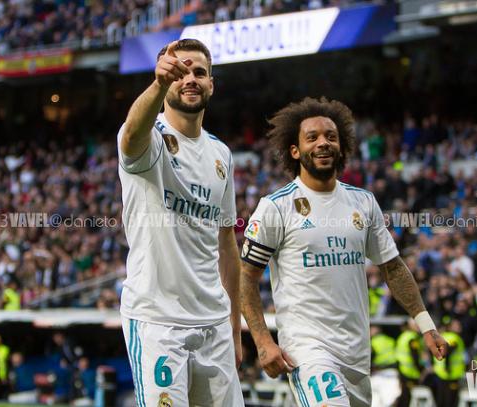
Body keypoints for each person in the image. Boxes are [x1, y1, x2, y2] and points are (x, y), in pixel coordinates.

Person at [240, 97, 448, 406]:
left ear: (342, 146)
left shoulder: (363, 202)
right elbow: (246, 276)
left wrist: (426, 325)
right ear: (294, 151)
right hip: (307, 349)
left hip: (356, 352)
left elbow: (392, 267)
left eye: (331, 136)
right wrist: (262, 340)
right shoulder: (276, 207)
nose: (323, 143)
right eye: (312, 137)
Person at [117, 39, 243, 406]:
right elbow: (130, 137)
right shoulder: (150, 139)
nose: (190, 79)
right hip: (158, 321)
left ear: (211, 84)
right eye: (180, 72)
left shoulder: (221, 154)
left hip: (215, 323)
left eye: (199, 73)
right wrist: (156, 85)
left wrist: (234, 328)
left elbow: (226, 245)